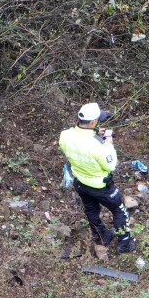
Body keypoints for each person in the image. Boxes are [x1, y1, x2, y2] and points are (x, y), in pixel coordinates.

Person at [58, 102, 136, 253]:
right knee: (120, 211)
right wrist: (108, 142)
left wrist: (94, 134)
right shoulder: (99, 145)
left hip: (80, 182)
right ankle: (123, 245)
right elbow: (111, 165)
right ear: (93, 121)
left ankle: (102, 235)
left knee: (91, 210)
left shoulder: (65, 135)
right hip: (101, 187)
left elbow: (78, 143)